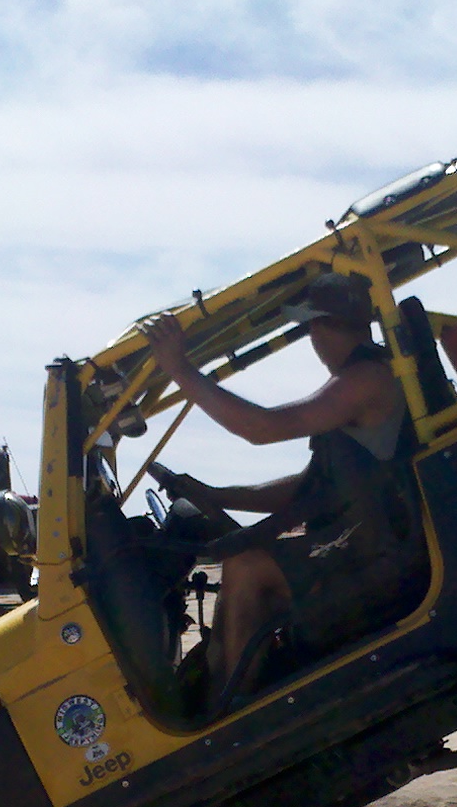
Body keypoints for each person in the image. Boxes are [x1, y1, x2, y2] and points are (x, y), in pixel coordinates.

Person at [141, 270, 423, 700]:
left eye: (311, 328)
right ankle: (219, 689)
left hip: (381, 552)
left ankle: (230, 709)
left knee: (248, 567)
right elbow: (307, 489)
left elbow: (261, 428)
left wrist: (179, 368)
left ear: (321, 327)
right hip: (365, 542)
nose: (311, 338)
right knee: (242, 557)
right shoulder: (358, 380)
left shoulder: (366, 379)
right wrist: (217, 496)